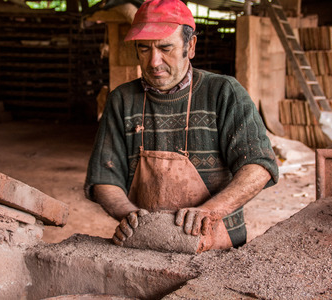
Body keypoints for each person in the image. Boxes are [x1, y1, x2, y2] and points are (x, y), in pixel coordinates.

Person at [85, 0, 279, 251]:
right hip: (144, 244)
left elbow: (259, 165)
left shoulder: (224, 92)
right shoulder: (122, 100)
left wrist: (210, 211)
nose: (154, 62)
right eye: (144, 49)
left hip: (218, 241)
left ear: (191, 46)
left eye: (166, 48)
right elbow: (104, 177)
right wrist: (132, 218)